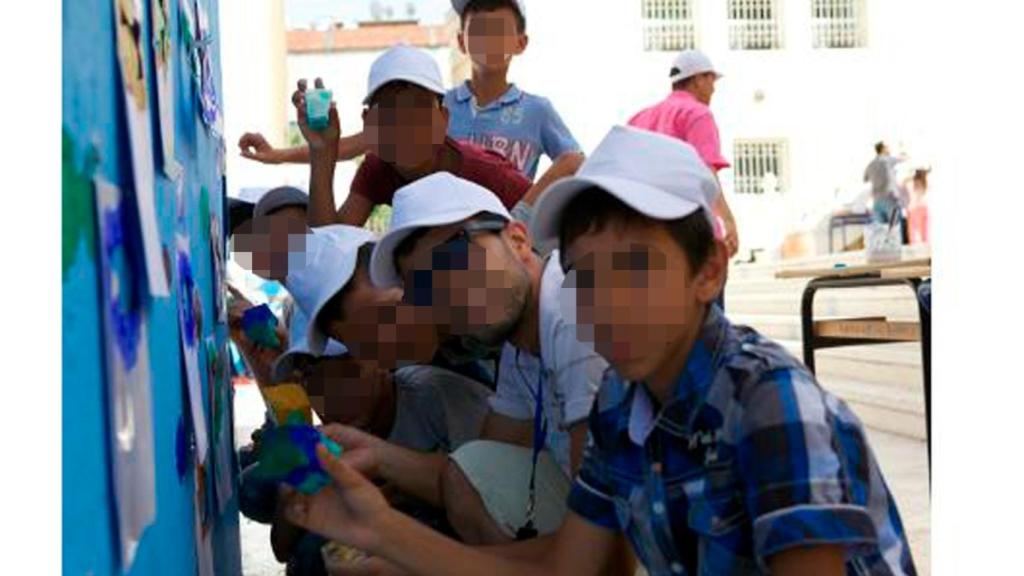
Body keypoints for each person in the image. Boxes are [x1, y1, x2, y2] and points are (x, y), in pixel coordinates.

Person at [281, 127, 918, 576]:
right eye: (586, 274)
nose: (606, 301)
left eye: (635, 268)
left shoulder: (770, 404)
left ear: (709, 271)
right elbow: (566, 568)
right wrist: (380, 530)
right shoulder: (622, 402)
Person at [290, 45, 536, 228]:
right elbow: (330, 246)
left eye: (418, 112)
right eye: (389, 113)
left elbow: (545, 213)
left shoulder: (486, 171)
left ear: (443, 120)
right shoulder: (378, 168)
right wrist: (322, 152)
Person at [446, 0, 583, 220]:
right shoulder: (439, 106)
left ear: (521, 43)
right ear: (462, 42)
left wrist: (525, 211)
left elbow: (575, 162)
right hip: (446, 230)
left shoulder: (537, 111)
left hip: (507, 234)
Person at [628, 49, 739, 259]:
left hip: (645, 232)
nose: (714, 88)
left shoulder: (639, 118)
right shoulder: (698, 114)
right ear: (697, 80)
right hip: (691, 233)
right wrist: (728, 220)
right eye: (711, 79)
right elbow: (706, 174)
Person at [864, 141, 907, 226]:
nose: (889, 149)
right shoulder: (887, 159)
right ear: (883, 149)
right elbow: (904, 158)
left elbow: (865, 179)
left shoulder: (870, 164)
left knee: (881, 230)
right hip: (890, 200)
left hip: (877, 202)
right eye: (887, 147)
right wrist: (903, 149)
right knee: (894, 229)